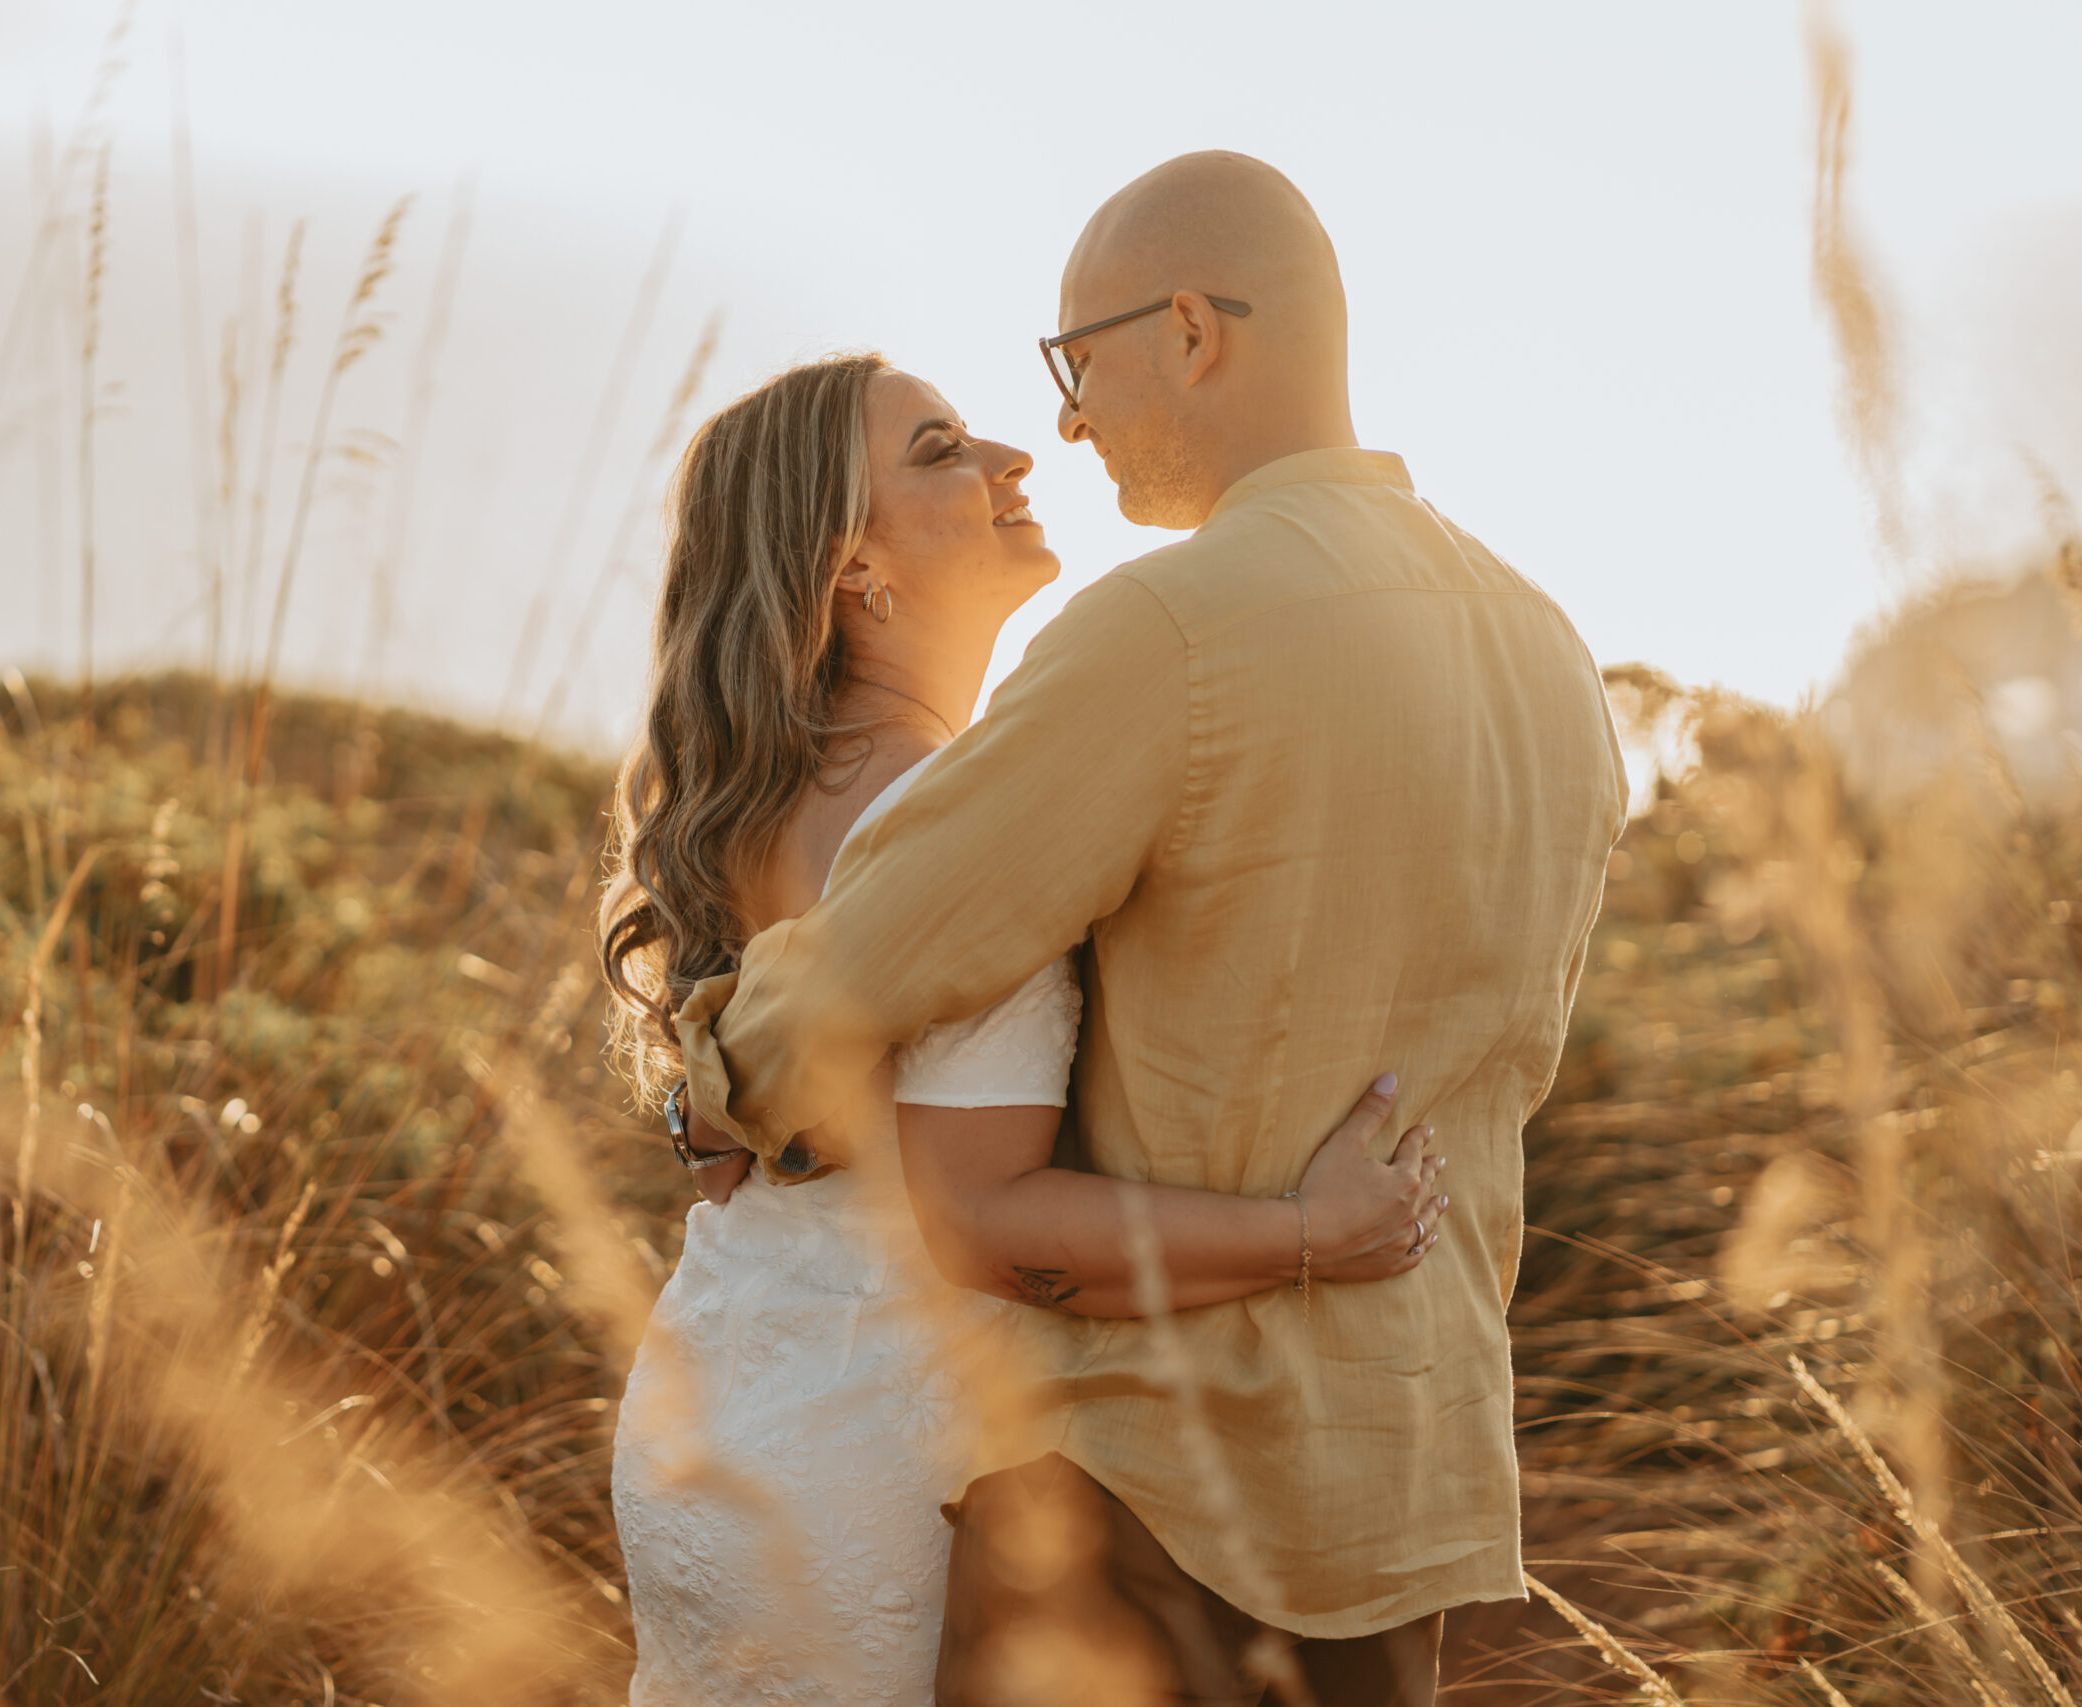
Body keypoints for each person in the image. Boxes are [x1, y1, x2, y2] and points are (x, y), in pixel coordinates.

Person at [674, 152, 1628, 1707]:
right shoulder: (1550, 655)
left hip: (1148, 1509)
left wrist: (703, 1083)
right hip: (1407, 1511)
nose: (1061, 420)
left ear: (1191, 329)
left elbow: (878, 950)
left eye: (1077, 360)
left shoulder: (1169, 627)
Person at [600, 351, 1452, 1706]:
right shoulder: (955, 816)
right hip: (871, 1473)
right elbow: (981, 1223)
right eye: (940, 449)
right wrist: (1310, 1236)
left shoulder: (761, 808)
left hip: (709, 1415)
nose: (1013, 458)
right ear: (849, 566)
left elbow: (721, 1146)